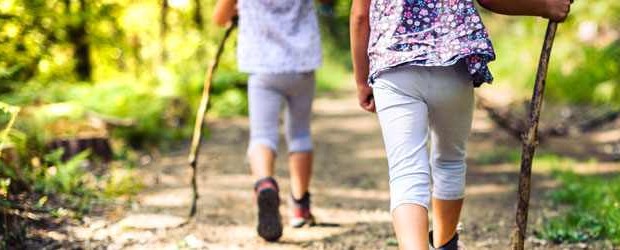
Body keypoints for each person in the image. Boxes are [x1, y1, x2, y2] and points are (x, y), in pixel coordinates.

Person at [349, 0, 573, 249]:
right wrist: (544, 6)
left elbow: (360, 15)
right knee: (450, 160)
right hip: (452, 61)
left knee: (406, 173)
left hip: (393, 67)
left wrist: (361, 81)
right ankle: (445, 244)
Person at [213, 0, 328, 241]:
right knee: (300, 134)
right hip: (302, 64)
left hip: (262, 67)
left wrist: (239, 10)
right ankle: (300, 207)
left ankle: (265, 184)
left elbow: (219, 17)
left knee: (262, 135)